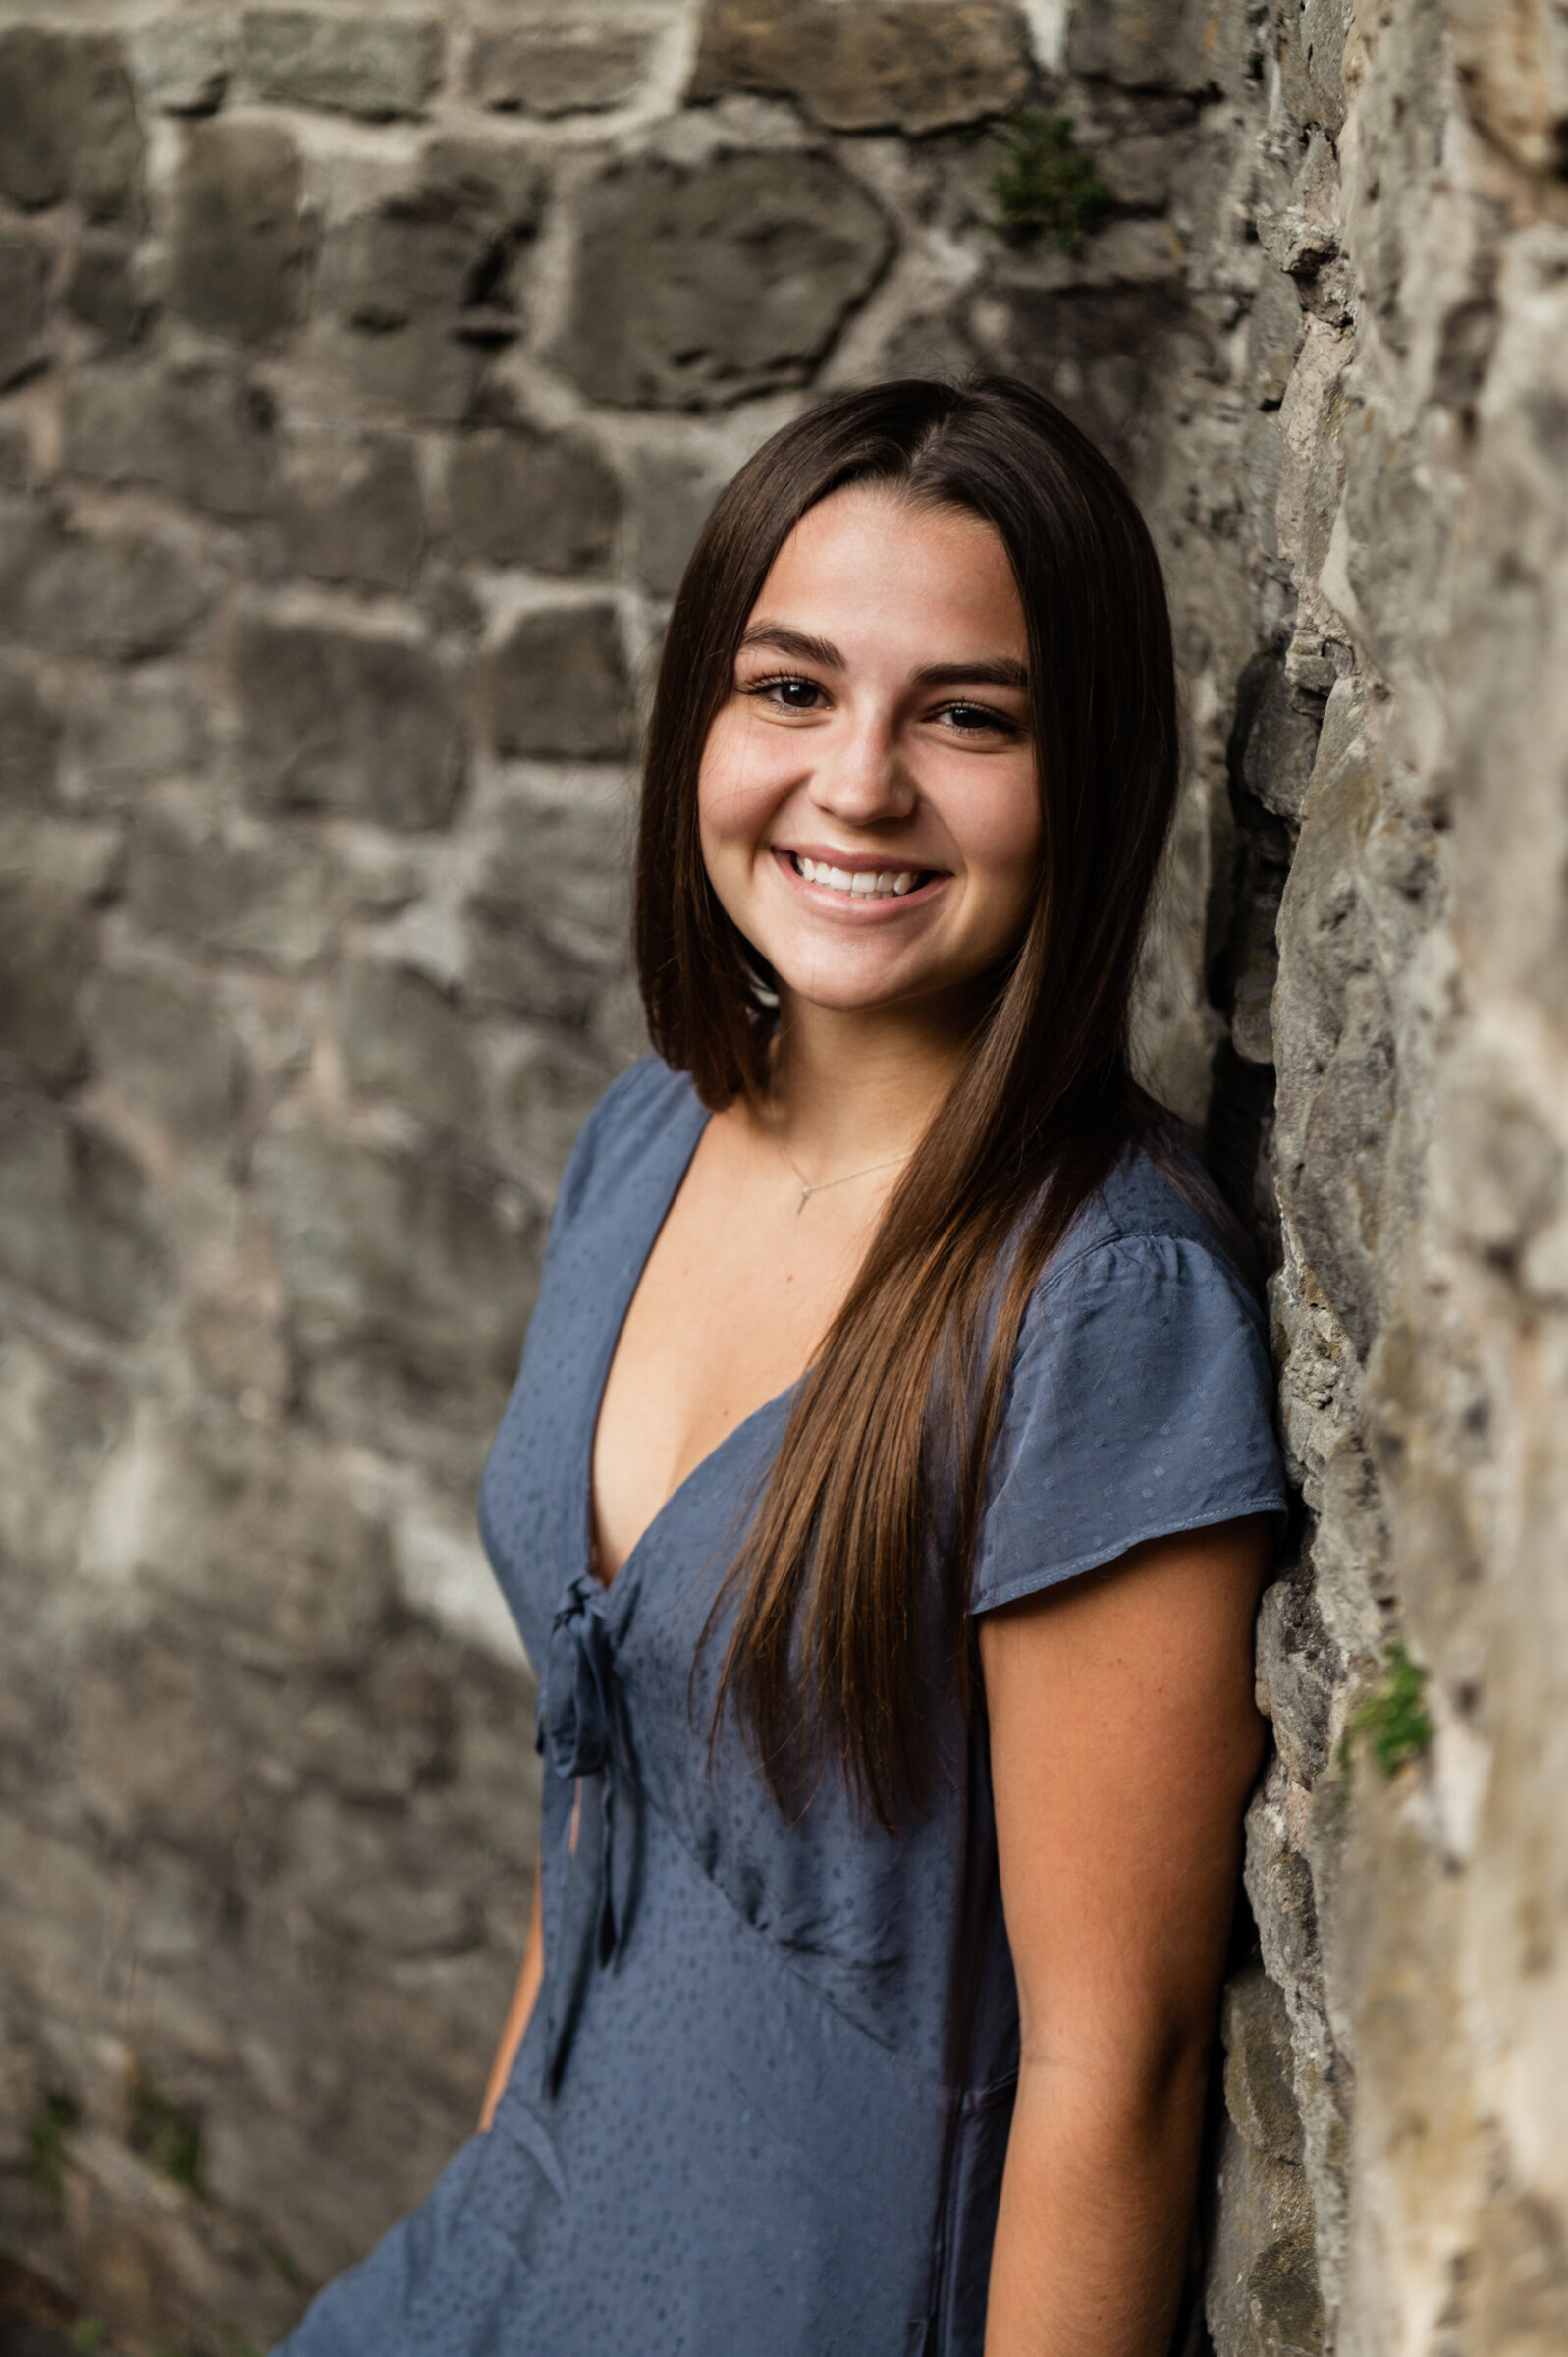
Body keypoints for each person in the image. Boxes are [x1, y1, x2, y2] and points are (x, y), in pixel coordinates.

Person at [275, 377, 1286, 2357]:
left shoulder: (1099, 1308)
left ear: (1083, 772)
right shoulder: (643, 1137)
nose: (861, 784)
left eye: (967, 717)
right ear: (701, 729)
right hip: (502, 2260)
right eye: (793, 689)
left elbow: (1118, 2064)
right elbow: (599, 1809)